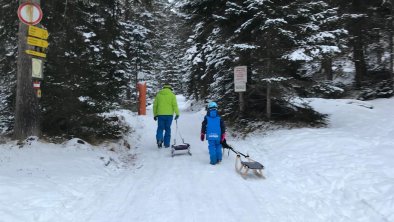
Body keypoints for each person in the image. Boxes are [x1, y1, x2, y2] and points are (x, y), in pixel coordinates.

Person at [153, 84, 180, 148]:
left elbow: (155, 106)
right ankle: (166, 144)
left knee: (160, 128)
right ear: (170, 89)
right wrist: (177, 113)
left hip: (160, 115)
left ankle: (159, 139)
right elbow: (175, 105)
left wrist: (155, 115)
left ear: (163, 88)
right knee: (167, 128)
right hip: (169, 115)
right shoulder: (172, 95)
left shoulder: (158, 95)